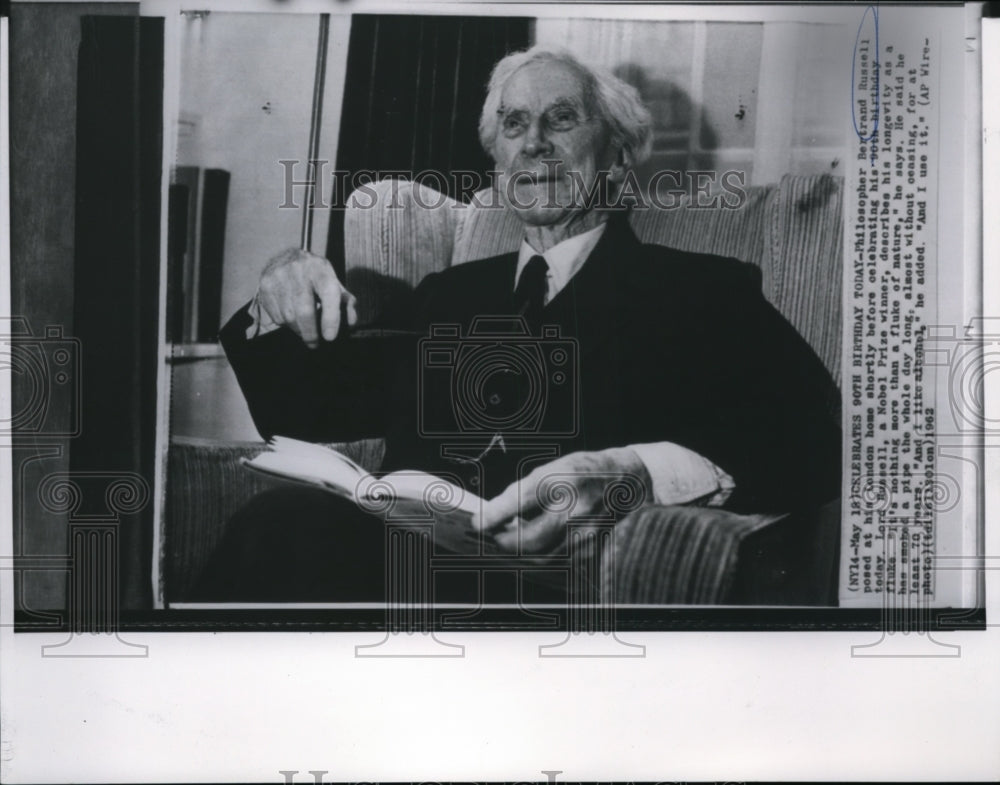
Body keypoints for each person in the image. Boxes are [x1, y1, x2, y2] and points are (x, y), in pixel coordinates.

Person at [192, 47, 841, 603]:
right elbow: (310, 410)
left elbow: (815, 439)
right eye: (514, 124)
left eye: (562, 118)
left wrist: (642, 469)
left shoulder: (701, 288)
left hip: (565, 586)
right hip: (396, 564)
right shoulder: (450, 293)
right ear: (499, 160)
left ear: (616, 155)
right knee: (284, 523)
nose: (534, 141)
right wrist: (278, 287)